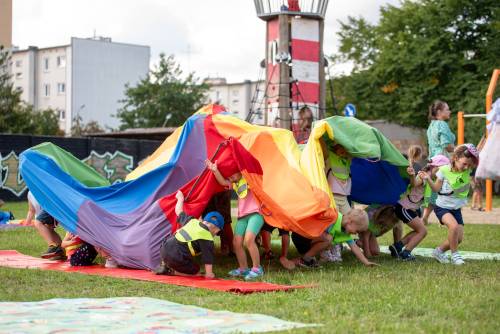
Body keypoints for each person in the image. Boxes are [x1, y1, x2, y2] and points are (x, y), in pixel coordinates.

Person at [206, 159, 265, 280]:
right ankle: (243, 269)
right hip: (242, 216)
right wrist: (215, 170)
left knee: (249, 240)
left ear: (240, 171)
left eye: (233, 172)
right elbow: (223, 181)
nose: (231, 175)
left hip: (255, 214)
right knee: (236, 243)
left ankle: (257, 268)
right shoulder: (235, 183)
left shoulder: (250, 178)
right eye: (229, 173)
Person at [420, 144, 479, 265]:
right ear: (456, 158)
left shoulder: (467, 170)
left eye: (469, 164)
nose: (466, 167)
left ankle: (439, 251)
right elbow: (436, 189)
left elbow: (475, 156)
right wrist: (428, 179)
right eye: (464, 163)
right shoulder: (444, 170)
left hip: (456, 209)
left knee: (458, 239)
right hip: (442, 207)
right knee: (454, 227)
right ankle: (455, 255)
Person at [156, 190, 224, 278]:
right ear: (216, 230)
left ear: (203, 221)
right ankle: (173, 272)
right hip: (176, 256)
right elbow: (208, 259)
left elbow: (179, 211)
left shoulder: (192, 221)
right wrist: (209, 274)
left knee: (174, 241)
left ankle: (165, 264)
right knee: (195, 270)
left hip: (163, 248)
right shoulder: (207, 238)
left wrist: (180, 198)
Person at [291, 208, 378, 267]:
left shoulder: (345, 233)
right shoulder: (333, 216)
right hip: (301, 237)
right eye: (357, 231)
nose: (355, 233)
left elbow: (355, 248)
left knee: (328, 241)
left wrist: (366, 262)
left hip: (309, 243)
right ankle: (305, 259)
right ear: (351, 222)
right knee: (328, 239)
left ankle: (305, 259)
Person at [388, 145, 428, 261]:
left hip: (406, 206)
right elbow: (414, 184)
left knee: (419, 230)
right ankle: (406, 253)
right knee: (422, 231)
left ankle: (397, 247)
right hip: (404, 206)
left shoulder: (412, 166)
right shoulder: (420, 170)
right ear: (419, 155)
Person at [424, 100, 456, 224]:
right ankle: (447, 218)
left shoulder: (432, 125)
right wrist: (460, 149)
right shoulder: (442, 124)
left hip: (433, 160)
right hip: (442, 161)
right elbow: (447, 145)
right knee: (445, 190)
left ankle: (425, 218)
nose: (449, 111)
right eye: (447, 109)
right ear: (439, 112)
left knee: (433, 190)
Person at [321, 141, 353, 262]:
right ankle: (327, 251)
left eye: (345, 150)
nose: (343, 152)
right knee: (333, 225)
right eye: (340, 149)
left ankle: (338, 247)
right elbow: (324, 148)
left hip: (344, 198)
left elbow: (353, 150)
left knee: (349, 221)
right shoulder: (330, 159)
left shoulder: (347, 161)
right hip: (333, 197)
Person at [26, 191, 65, 260]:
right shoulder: (30, 193)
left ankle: (53, 246)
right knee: (49, 230)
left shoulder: (42, 188)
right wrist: (26, 223)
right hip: (44, 214)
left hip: (51, 208)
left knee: (38, 223)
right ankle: (60, 252)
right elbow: (31, 210)